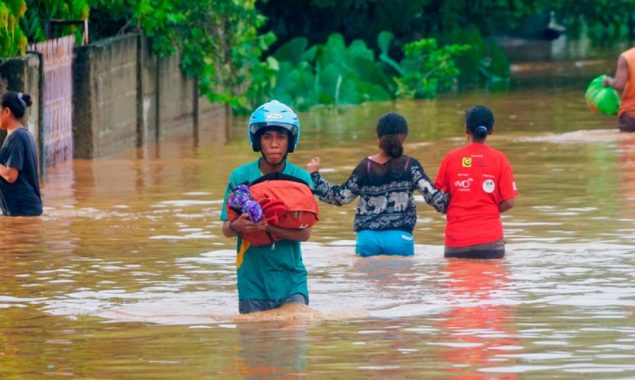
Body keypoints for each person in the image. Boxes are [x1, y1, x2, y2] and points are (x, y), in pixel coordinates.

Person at [307, 112, 448, 257]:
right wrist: (460, 202)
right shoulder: (409, 166)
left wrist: (315, 176)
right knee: (403, 280)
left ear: (378, 137)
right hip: (399, 239)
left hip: (367, 239)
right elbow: (434, 197)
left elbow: (340, 197)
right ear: (404, 137)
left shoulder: (365, 167)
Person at [220, 100, 314, 314]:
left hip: (292, 279)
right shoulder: (240, 177)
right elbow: (226, 230)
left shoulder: (301, 178)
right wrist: (238, 226)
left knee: (293, 339)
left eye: (280, 137)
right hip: (251, 282)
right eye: (267, 137)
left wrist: (269, 228)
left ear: (290, 141)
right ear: (258, 141)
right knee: (256, 345)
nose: (274, 144)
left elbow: (305, 233)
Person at [434, 105, 517, 259]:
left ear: (466, 128)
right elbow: (509, 201)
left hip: (457, 241)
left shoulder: (451, 158)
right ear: (491, 130)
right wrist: (489, 209)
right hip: (490, 241)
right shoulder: (500, 159)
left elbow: (437, 197)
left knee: (456, 282)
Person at [0, 91, 42, 217]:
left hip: (23, 211)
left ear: (7, 112)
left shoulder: (16, 137)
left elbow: (10, 175)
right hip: (25, 211)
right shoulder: (25, 134)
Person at [603, 47, 635, 132]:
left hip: (631, 117)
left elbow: (619, 85)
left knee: (628, 144)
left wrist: (608, 81)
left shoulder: (627, 57)